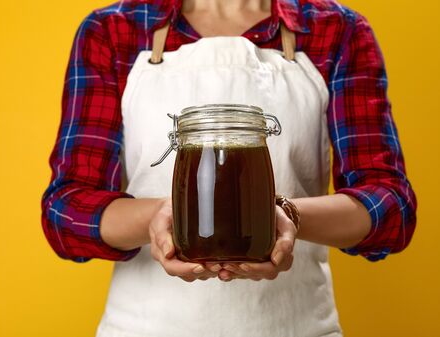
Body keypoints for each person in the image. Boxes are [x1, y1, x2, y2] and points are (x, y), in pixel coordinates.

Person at [41, 0, 417, 336]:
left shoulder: (337, 30)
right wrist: (160, 216)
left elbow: (390, 206)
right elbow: (66, 209)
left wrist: (289, 215)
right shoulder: (112, 31)